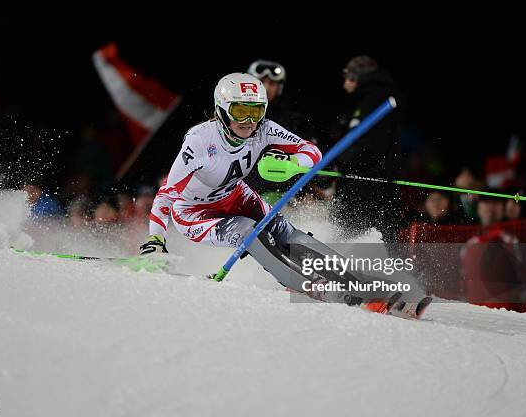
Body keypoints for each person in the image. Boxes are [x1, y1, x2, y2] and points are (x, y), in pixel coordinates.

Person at [138, 73, 336, 291]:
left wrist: (292, 163)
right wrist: (156, 239)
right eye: (240, 111)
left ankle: (352, 278)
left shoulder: (264, 129)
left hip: (235, 195)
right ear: (222, 111)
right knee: (249, 231)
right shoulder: (200, 141)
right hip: (193, 212)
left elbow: (312, 151)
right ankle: (305, 285)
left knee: (281, 230)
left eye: (256, 111)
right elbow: (166, 195)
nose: (249, 121)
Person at [332, 55, 405, 242]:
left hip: (368, 186)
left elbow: (371, 145)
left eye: (348, 78)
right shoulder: (368, 99)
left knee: (356, 237)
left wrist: (340, 162)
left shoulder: (376, 98)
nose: (345, 85)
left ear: (359, 77)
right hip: (364, 183)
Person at [245, 59, 320, 204]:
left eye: (272, 84)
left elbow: (306, 156)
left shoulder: (293, 120)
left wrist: (305, 190)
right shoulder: (232, 116)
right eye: (261, 82)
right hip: (243, 192)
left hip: (281, 195)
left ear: (279, 88)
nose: (266, 87)